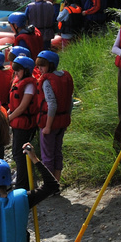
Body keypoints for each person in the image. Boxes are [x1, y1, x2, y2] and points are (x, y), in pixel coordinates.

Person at [35, 50, 74, 182]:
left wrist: (47, 126)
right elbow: (70, 101)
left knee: (47, 156)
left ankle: (49, 186)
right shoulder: (64, 77)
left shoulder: (47, 81)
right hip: (62, 122)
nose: (39, 69)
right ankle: (56, 183)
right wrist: (66, 119)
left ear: (50, 65)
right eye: (38, 65)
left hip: (50, 123)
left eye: (42, 65)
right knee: (57, 153)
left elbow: (52, 104)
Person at [7, 55, 39, 189]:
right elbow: (15, 105)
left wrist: (9, 118)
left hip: (24, 124)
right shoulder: (19, 82)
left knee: (20, 154)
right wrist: (8, 113)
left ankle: (23, 184)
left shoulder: (30, 85)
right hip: (18, 122)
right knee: (16, 153)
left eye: (18, 70)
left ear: (26, 70)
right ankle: (26, 181)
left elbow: (22, 107)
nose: (15, 72)